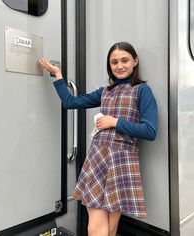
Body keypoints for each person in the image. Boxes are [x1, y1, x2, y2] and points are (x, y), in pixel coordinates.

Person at [38, 42, 157, 236]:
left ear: (135, 61)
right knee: (97, 229)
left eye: (124, 60)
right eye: (114, 62)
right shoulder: (105, 91)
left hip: (121, 162)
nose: (119, 66)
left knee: (110, 230)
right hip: (98, 159)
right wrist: (58, 76)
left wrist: (114, 121)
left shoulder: (142, 90)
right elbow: (71, 102)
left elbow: (150, 131)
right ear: (109, 65)